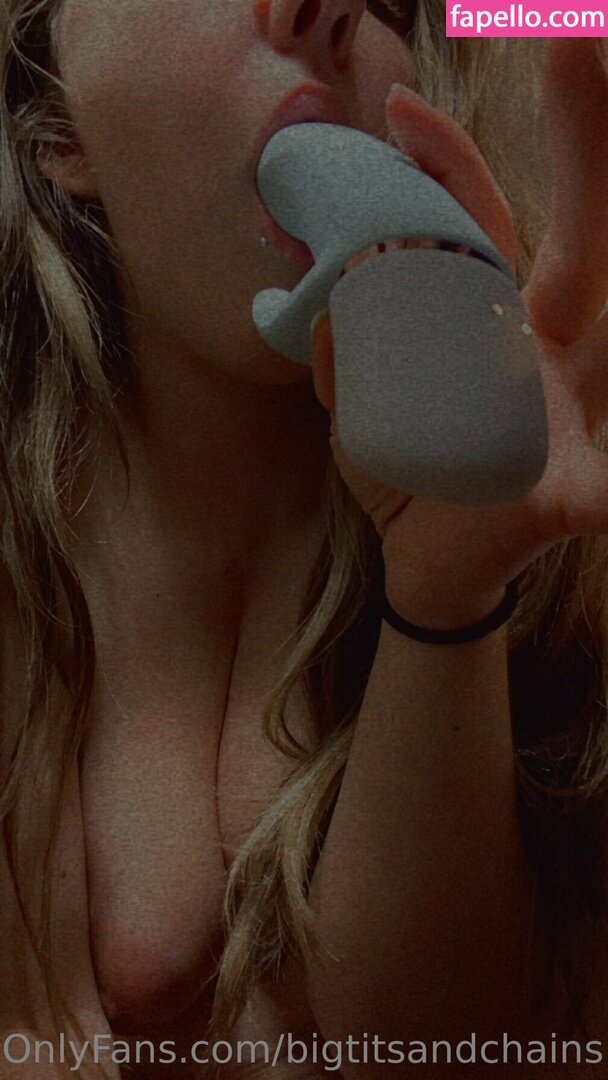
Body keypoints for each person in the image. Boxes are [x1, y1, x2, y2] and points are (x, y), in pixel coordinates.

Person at [0, 0, 606, 1075]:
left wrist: (449, 586)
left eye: (383, 5)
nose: (321, 5)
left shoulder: (528, 534)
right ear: (59, 134)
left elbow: (435, 1053)